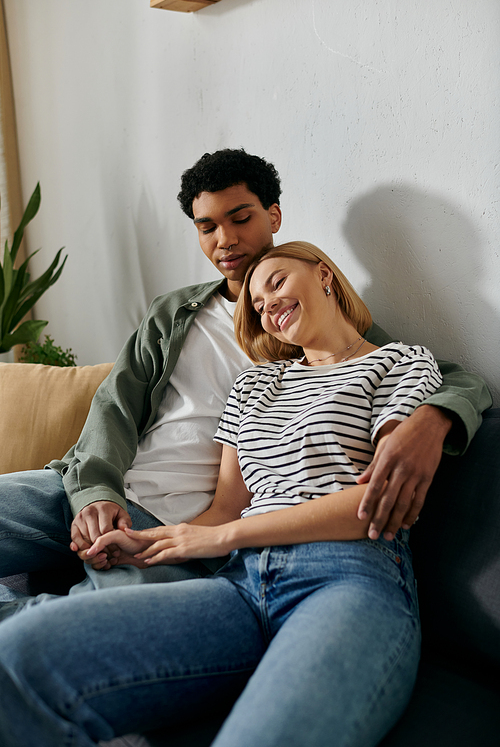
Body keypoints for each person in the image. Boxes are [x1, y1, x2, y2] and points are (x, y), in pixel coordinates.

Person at [0, 149, 491, 612]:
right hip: (91, 495)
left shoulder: (314, 321)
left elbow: (444, 374)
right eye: (207, 226)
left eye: (241, 218)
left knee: (73, 630)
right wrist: (95, 493)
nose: (225, 240)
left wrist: (433, 420)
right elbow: (115, 407)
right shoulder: (174, 312)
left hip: (180, 529)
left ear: (273, 216)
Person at [0, 241, 446, 746]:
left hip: (346, 578)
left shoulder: (401, 363)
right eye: (257, 303)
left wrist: (222, 537)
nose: (267, 304)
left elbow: (376, 507)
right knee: (15, 658)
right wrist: (152, 544)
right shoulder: (254, 386)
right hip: (239, 585)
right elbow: (223, 510)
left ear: (324, 275)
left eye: (277, 282)